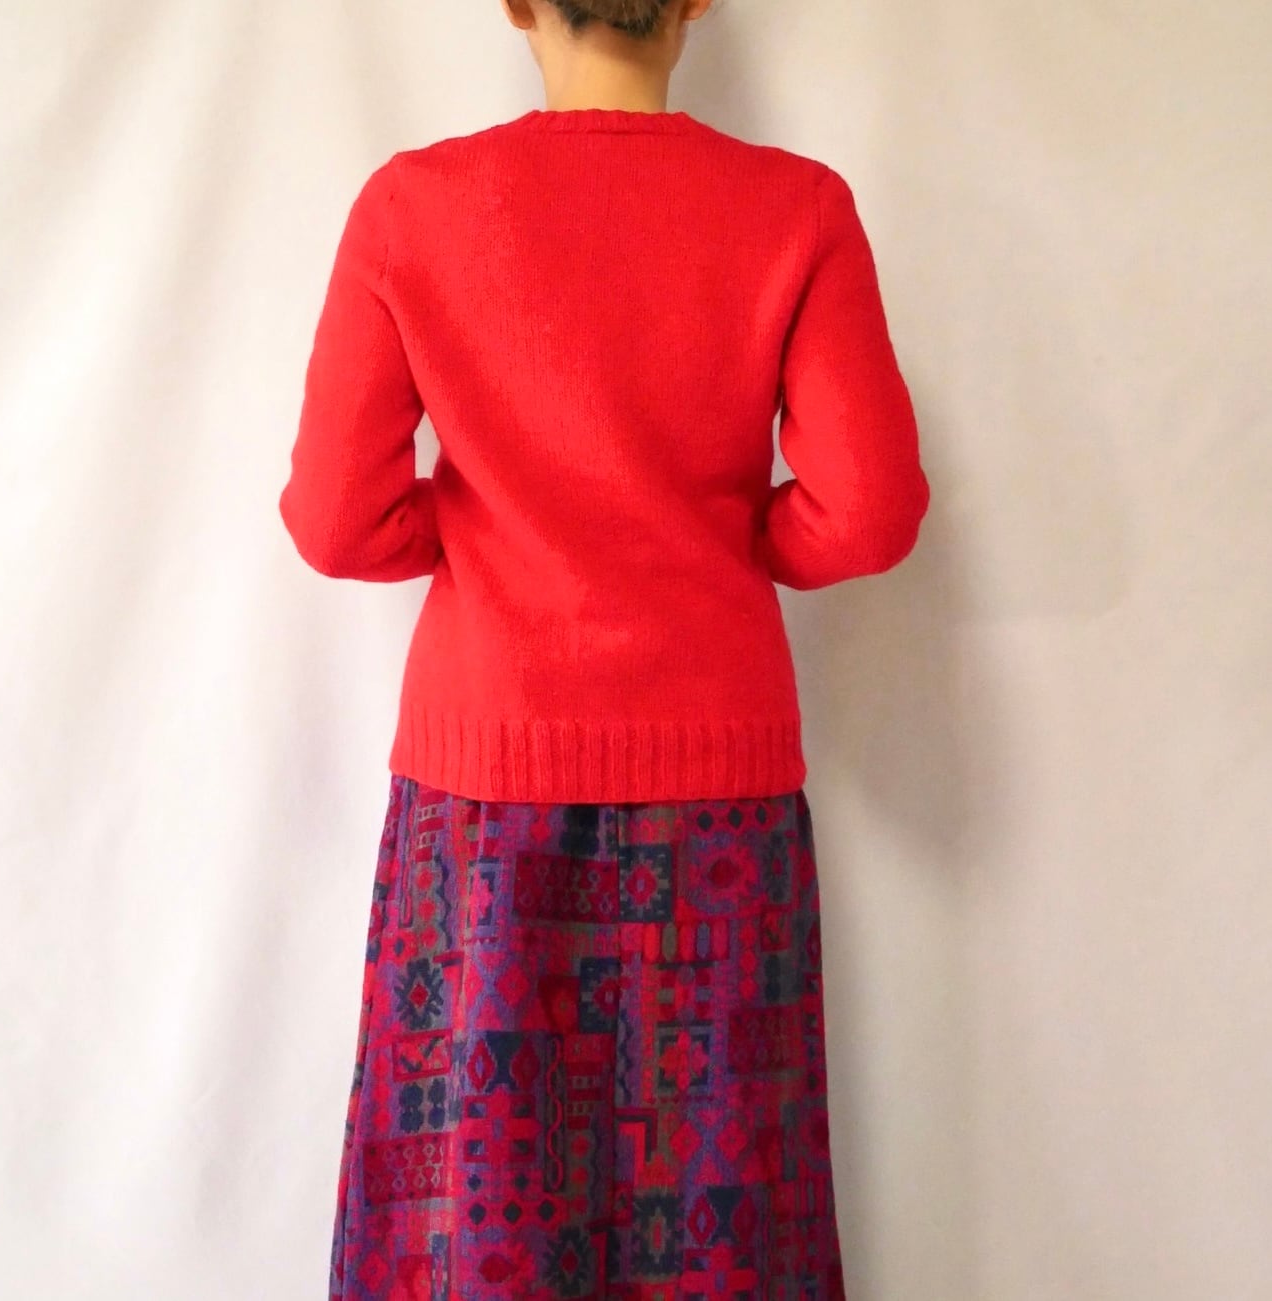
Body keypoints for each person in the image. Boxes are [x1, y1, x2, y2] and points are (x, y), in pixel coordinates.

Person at [278, 0, 930, 1295]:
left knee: (474, 1222)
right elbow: (867, 510)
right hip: (720, 807)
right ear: (694, 3)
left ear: (520, 5)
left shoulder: (415, 207)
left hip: (482, 800)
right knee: (720, 1214)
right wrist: (729, 544)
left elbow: (335, 518)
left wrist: (476, 536)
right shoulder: (795, 209)